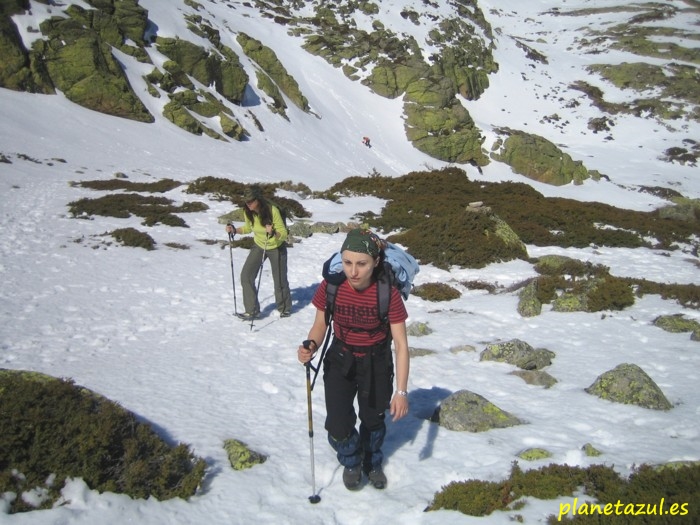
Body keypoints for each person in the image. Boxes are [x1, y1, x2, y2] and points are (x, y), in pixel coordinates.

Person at [297, 228, 410, 491]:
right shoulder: (331, 286)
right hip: (340, 357)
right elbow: (320, 325)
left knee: (372, 419)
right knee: (338, 423)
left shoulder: (387, 293)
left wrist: (401, 391)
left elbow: (402, 345)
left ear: (376, 262)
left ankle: (372, 460)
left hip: (376, 362)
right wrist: (311, 345)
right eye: (347, 262)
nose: (353, 271)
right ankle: (351, 459)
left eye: (362, 264)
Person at [225, 185, 291, 319]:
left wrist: (273, 232)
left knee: (279, 280)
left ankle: (284, 309)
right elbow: (249, 228)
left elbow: (284, 234)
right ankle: (252, 310)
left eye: (251, 201)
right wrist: (235, 230)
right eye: (246, 201)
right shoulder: (248, 211)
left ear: (258, 200)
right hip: (260, 245)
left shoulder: (272, 211)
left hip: (276, 247)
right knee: (246, 276)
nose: (248, 204)